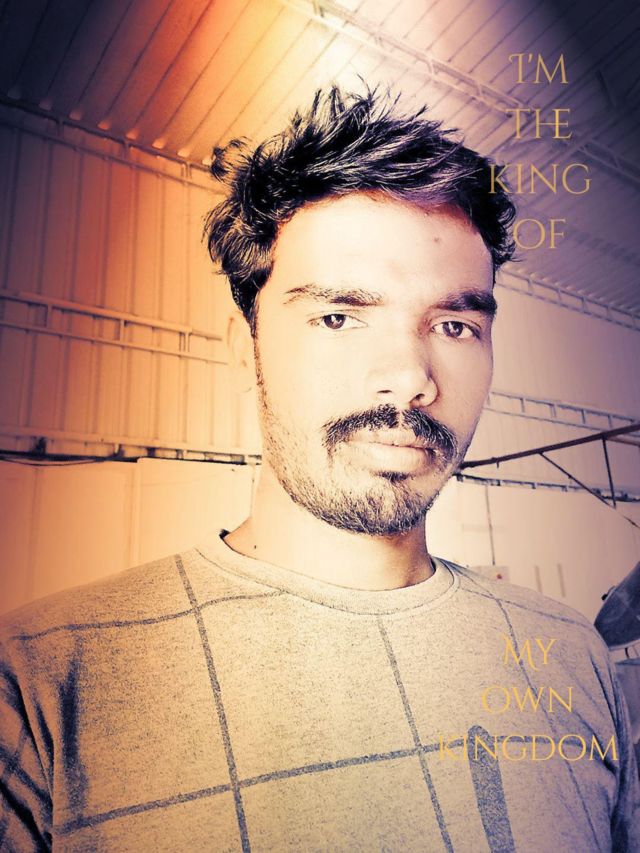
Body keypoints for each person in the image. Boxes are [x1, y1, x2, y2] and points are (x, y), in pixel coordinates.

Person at [0, 87, 638, 852]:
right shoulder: (40, 687)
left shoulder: (571, 656)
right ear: (245, 348)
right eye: (339, 316)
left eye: (454, 324)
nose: (409, 378)